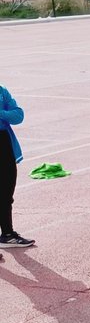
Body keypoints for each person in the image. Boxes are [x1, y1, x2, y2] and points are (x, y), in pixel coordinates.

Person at [0, 83, 33, 249]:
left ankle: (7, 234)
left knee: (6, 192)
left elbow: (18, 115)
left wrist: (1, 113)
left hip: (4, 144)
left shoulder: (1, 91)